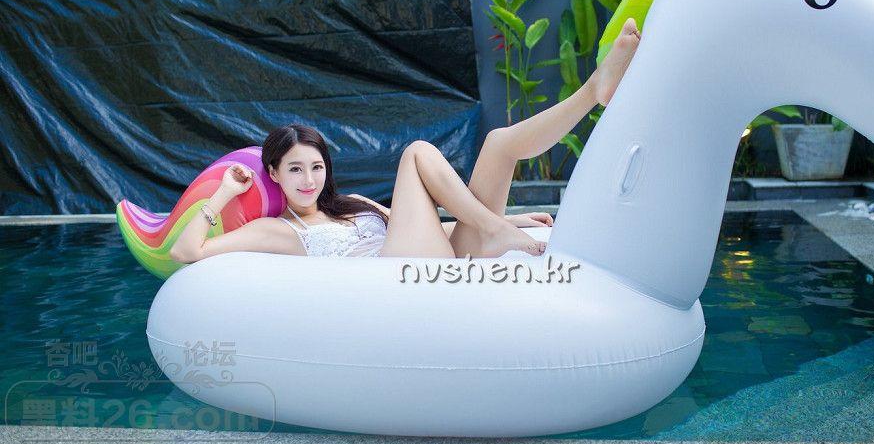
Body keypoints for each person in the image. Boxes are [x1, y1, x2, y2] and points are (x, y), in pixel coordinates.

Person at [169, 18, 641, 263]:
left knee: (499, 143)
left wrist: (510, 218)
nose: (309, 180)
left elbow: (433, 227)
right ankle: (493, 229)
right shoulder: (277, 230)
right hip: (396, 276)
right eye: (295, 169)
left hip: (431, 255)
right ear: (274, 174)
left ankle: (592, 92)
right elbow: (187, 252)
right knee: (416, 152)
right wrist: (225, 193)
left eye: (316, 167)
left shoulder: (352, 204)